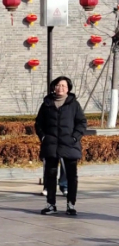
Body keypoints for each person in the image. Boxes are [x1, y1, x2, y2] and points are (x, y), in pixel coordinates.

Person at [35, 76, 86, 216]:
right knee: (50, 175)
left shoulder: (74, 104)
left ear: (68, 88)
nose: (60, 88)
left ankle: (71, 204)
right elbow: (39, 123)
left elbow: (81, 123)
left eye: (63, 86)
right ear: (53, 87)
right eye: (58, 85)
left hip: (69, 144)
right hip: (51, 145)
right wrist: (44, 136)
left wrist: (75, 137)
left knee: (71, 176)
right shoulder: (47, 104)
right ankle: (50, 204)